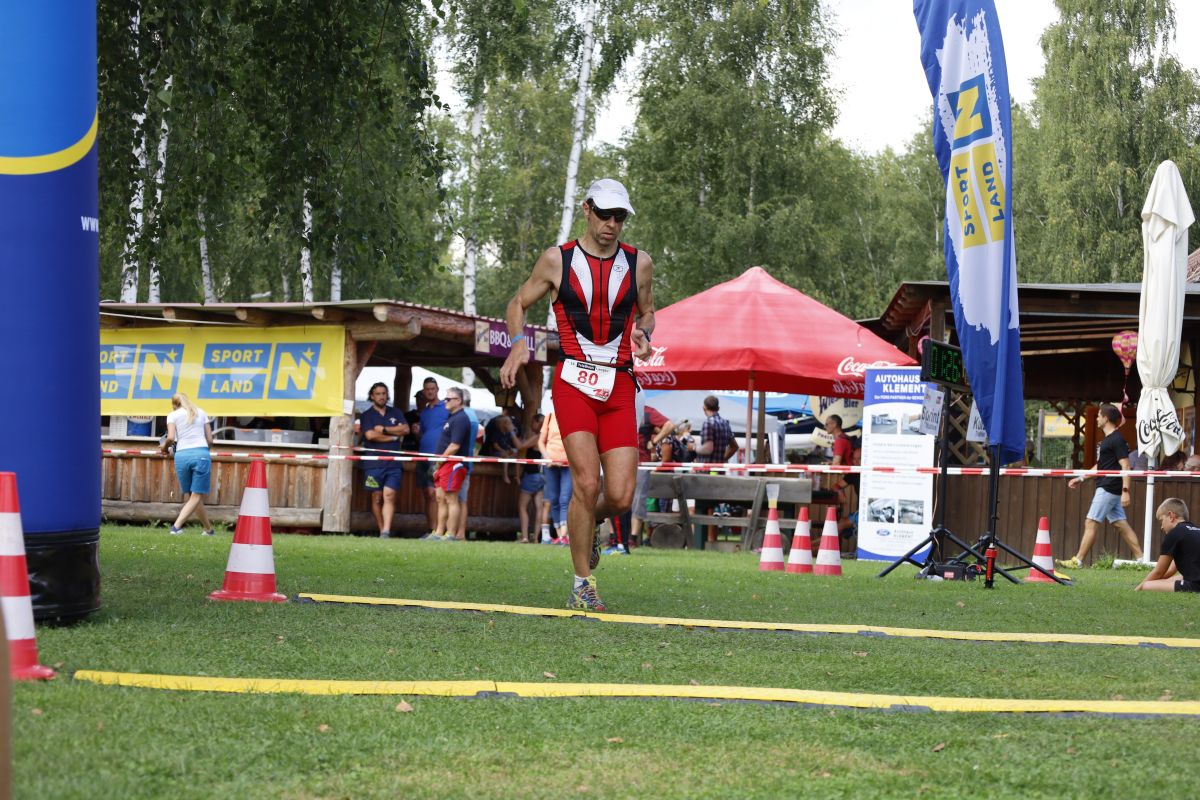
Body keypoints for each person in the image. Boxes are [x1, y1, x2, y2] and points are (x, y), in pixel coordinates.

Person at [500, 178, 654, 611]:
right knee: (586, 482)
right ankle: (581, 584)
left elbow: (648, 312)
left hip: (619, 384)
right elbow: (517, 303)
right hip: (574, 384)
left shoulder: (639, 263)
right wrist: (518, 344)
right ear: (587, 209)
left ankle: (591, 522)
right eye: (604, 214)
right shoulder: (557, 259)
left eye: (619, 217)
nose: (611, 224)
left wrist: (643, 333)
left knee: (620, 495)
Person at [1059, 403, 1144, 568]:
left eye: (1099, 415)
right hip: (1109, 487)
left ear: (1105, 418)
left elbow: (1126, 466)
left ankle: (1077, 561)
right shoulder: (1108, 440)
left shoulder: (1117, 439)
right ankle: (1141, 559)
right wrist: (1081, 478)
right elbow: (1100, 466)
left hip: (1108, 487)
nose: (1097, 418)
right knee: (1121, 525)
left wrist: (1126, 490)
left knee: (1091, 522)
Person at [160, 392, 215, 535]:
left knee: (192, 496)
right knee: (196, 496)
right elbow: (210, 440)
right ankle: (176, 528)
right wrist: (203, 451)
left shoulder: (172, 415)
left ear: (174, 404)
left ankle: (208, 529)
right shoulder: (201, 412)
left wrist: (164, 449)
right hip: (201, 454)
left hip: (181, 456)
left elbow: (170, 438)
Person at [359, 382, 409, 538]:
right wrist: (393, 436)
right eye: (378, 394)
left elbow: (406, 429)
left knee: (389, 495)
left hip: (393, 462)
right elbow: (370, 436)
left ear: (387, 395)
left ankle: (386, 530)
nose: (381, 396)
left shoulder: (396, 412)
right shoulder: (366, 415)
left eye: (384, 393)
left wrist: (385, 430)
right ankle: (382, 530)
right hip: (373, 463)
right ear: (372, 396)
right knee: (376, 497)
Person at [429, 388, 473, 541]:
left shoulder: (461, 418)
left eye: (448, 399)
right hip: (444, 463)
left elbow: (455, 445)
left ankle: (451, 534)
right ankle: (438, 533)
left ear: (458, 401)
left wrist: (440, 460)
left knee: (451, 499)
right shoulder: (452, 417)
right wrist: (439, 463)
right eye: (445, 399)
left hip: (452, 463)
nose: (445, 401)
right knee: (440, 498)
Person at [696, 395, 739, 545]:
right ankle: (712, 539)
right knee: (713, 505)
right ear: (718, 408)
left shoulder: (708, 423)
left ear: (704, 408)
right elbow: (734, 446)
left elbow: (708, 448)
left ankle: (705, 540)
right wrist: (722, 459)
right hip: (719, 469)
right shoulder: (725, 423)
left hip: (707, 470)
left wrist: (693, 448)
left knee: (705, 505)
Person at [1135, 497, 1200, 592]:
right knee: (1175, 578)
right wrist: (1159, 581)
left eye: (1161, 520)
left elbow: (1159, 571)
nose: (1161, 527)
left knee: (1146, 585)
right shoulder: (1196, 530)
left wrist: (1138, 588)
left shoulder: (1174, 533)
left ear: (1171, 516)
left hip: (1195, 585)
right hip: (1195, 579)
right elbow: (1171, 570)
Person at [417, 377, 448, 536]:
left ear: (437, 390)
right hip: (422, 456)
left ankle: (440, 531)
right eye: (427, 389)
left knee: (437, 495)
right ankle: (431, 530)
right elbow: (424, 434)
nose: (430, 391)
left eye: (432, 389)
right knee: (427, 495)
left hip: (438, 457)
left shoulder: (446, 408)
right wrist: (417, 433)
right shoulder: (424, 413)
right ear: (424, 391)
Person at [451, 388, 483, 542]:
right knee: (461, 500)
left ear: (460, 400)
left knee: (455, 499)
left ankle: (455, 532)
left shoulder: (463, 417)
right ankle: (460, 533)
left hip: (458, 463)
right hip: (467, 462)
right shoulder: (473, 416)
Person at [539, 410, 571, 544]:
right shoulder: (550, 417)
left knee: (565, 499)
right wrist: (547, 458)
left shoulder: (573, 416)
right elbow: (541, 442)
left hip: (568, 464)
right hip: (550, 464)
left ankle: (564, 535)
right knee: (553, 499)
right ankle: (560, 536)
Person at [826, 414, 859, 540]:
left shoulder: (840, 440)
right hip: (853, 476)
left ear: (834, 425)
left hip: (854, 476)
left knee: (840, 524)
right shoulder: (846, 438)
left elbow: (836, 465)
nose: (825, 427)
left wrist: (831, 465)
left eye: (827, 424)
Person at [516, 413, 545, 543]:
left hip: (531, 475)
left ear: (538, 423)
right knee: (539, 507)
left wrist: (511, 433)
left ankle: (525, 536)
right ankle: (536, 538)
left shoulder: (537, 437)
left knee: (522, 506)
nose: (531, 425)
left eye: (533, 422)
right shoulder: (546, 437)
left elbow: (520, 447)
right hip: (542, 475)